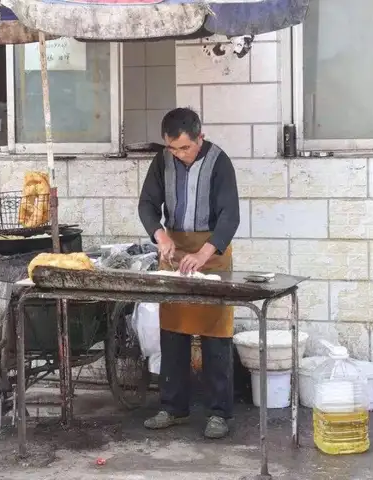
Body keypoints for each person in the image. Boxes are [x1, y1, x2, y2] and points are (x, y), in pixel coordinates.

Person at [138, 107, 240, 439]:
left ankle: (218, 413)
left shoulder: (219, 162)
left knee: (215, 335)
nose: (180, 155)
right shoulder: (161, 162)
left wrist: (204, 253)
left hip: (212, 254)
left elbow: (229, 216)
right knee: (173, 332)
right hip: (174, 253)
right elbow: (147, 205)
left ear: (201, 137)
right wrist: (160, 235)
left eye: (186, 147)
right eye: (173, 148)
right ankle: (173, 406)